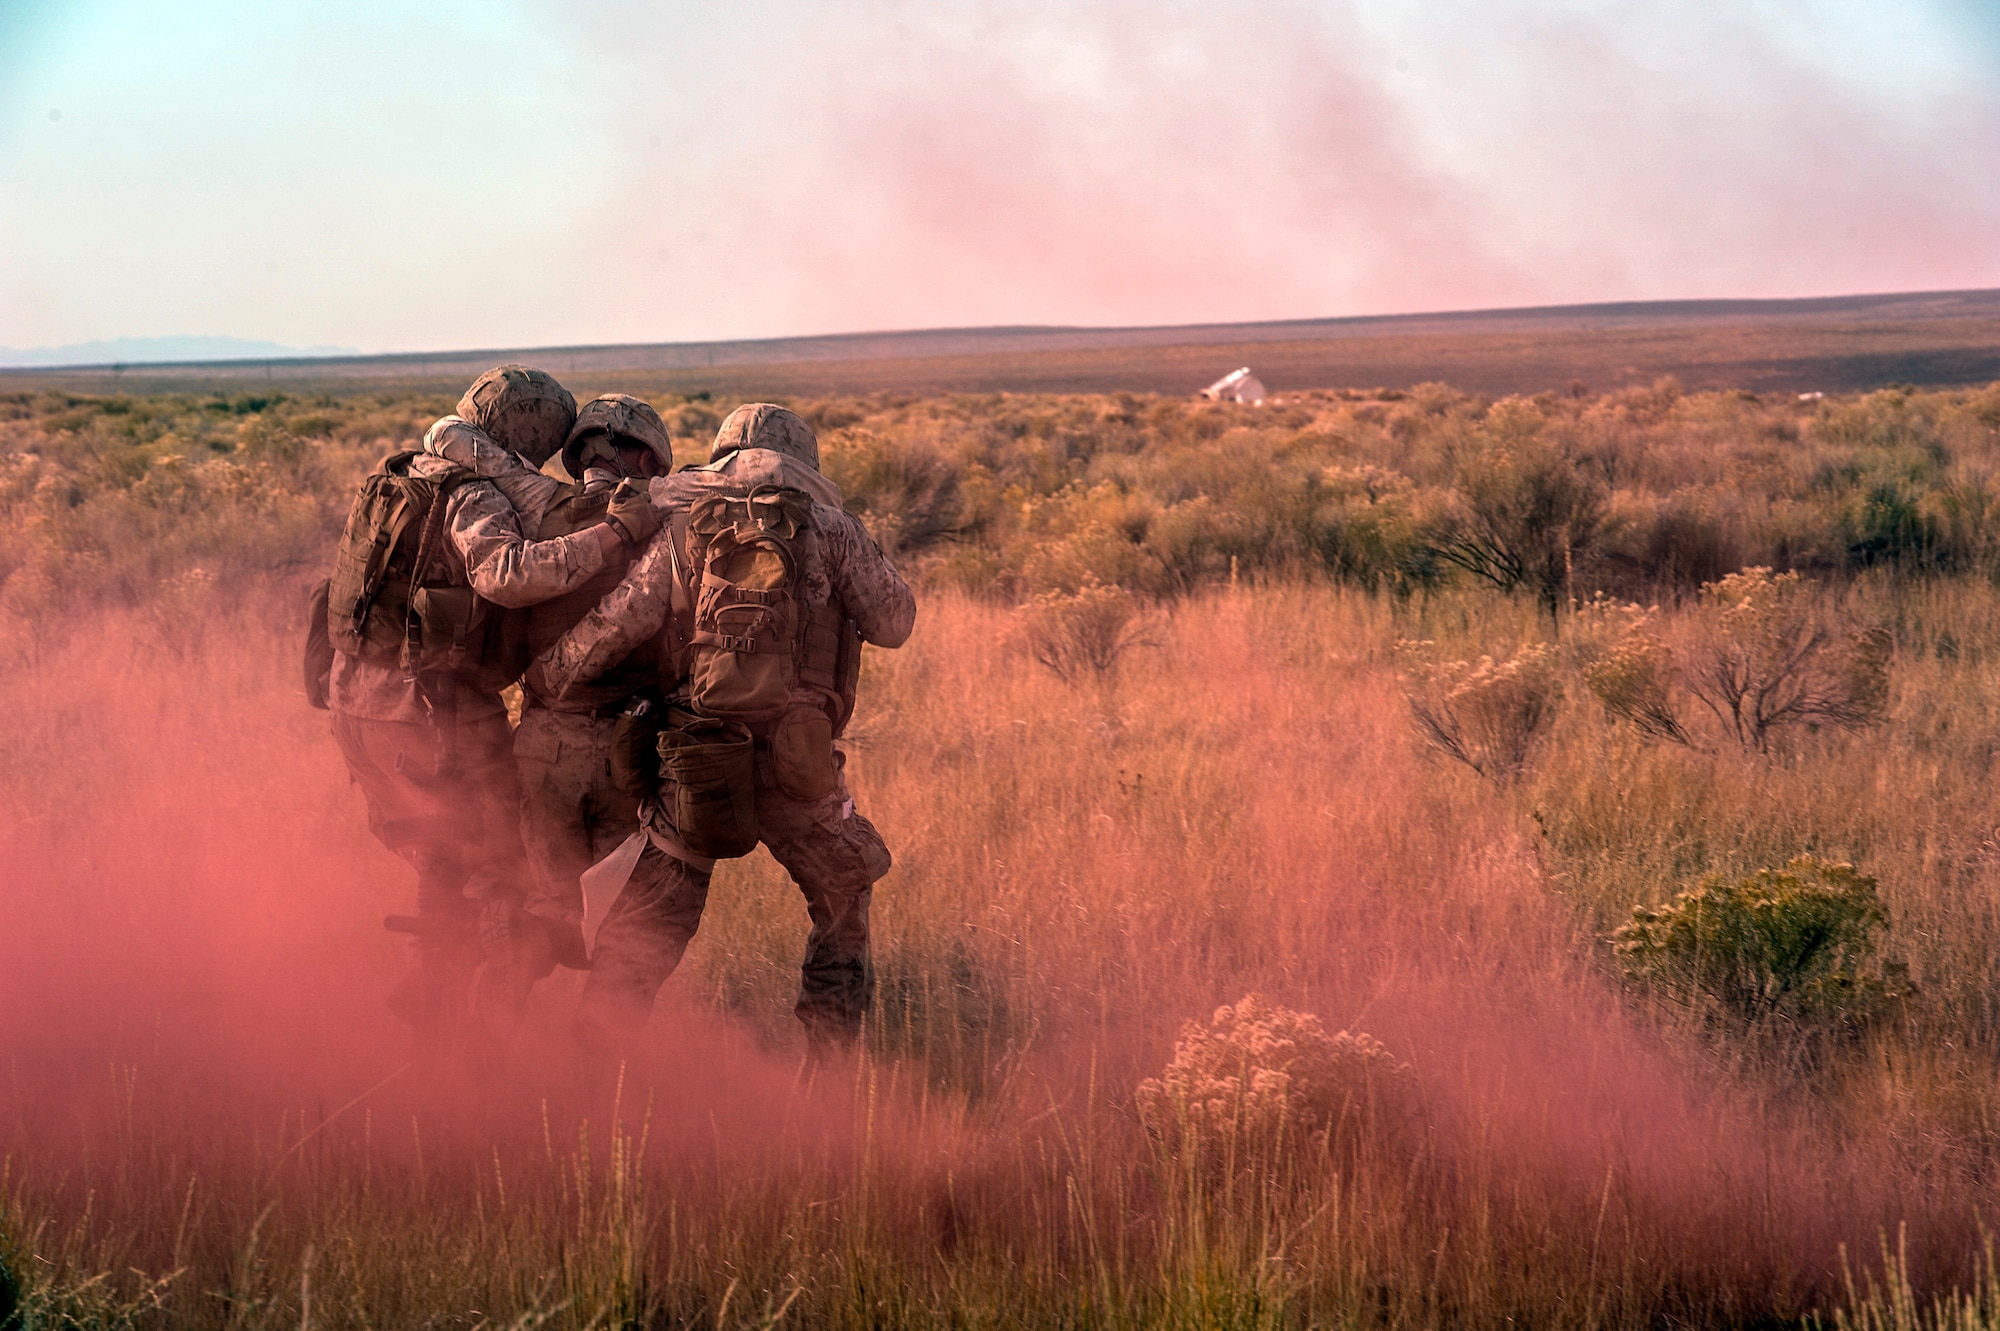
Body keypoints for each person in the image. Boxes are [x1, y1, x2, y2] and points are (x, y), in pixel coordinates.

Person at [532, 403, 916, 1061]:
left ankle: (588, 1071)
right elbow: (895, 622)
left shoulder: (687, 528)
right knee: (844, 894)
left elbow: (617, 625)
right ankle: (829, 1074)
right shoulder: (832, 528)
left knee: (651, 921)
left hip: (696, 758)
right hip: (800, 766)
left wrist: (546, 677)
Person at [321, 365, 659, 1048]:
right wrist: (616, 534)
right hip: (428, 710)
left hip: (356, 700)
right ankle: (474, 1039)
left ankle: (432, 997)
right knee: (503, 859)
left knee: (446, 853)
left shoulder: (403, 472)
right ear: (528, 434)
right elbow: (506, 576)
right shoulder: (472, 495)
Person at [421, 394, 676, 977]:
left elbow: (457, 440)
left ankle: (501, 1042)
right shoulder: (667, 517)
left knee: (540, 906)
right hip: (628, 749)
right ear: (640, 454)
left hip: (541, 745)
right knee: (619, 921)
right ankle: (597, 1058)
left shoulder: (531, 511)